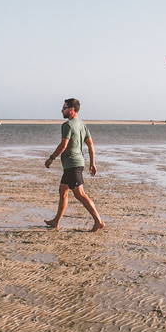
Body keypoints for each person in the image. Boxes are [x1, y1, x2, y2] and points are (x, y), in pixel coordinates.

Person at [44, 98, 105, 232]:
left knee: (80, 194)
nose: (62, 110)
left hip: (72, 164)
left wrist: (51, 158)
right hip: (75, 164)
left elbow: (63, 145)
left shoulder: (68, 125)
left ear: (71, 109)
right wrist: (92, 163)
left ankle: (98, 221)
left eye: (64, 108)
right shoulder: (82, 124)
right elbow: (91, 145)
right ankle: (56, 221)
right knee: (63, 191)